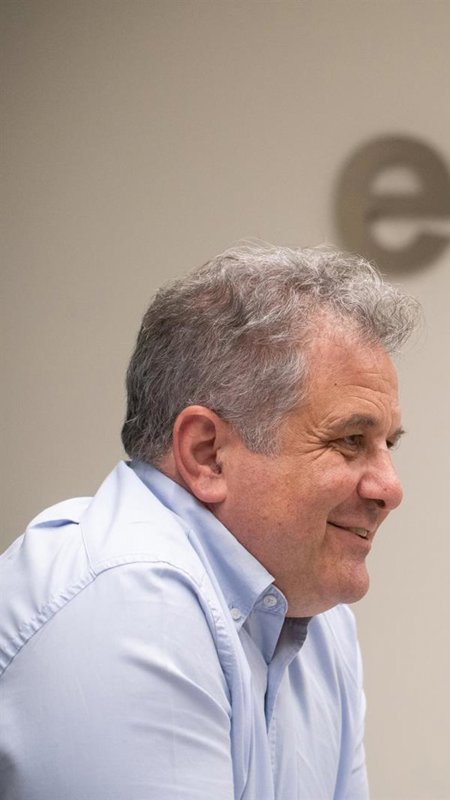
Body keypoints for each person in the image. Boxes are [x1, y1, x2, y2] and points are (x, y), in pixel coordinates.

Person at [0, 243, 419, 799]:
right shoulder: (132, 601)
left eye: (388, 444)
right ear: (207, 455)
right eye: (350, 440)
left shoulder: (317, 619)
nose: (390, 488)